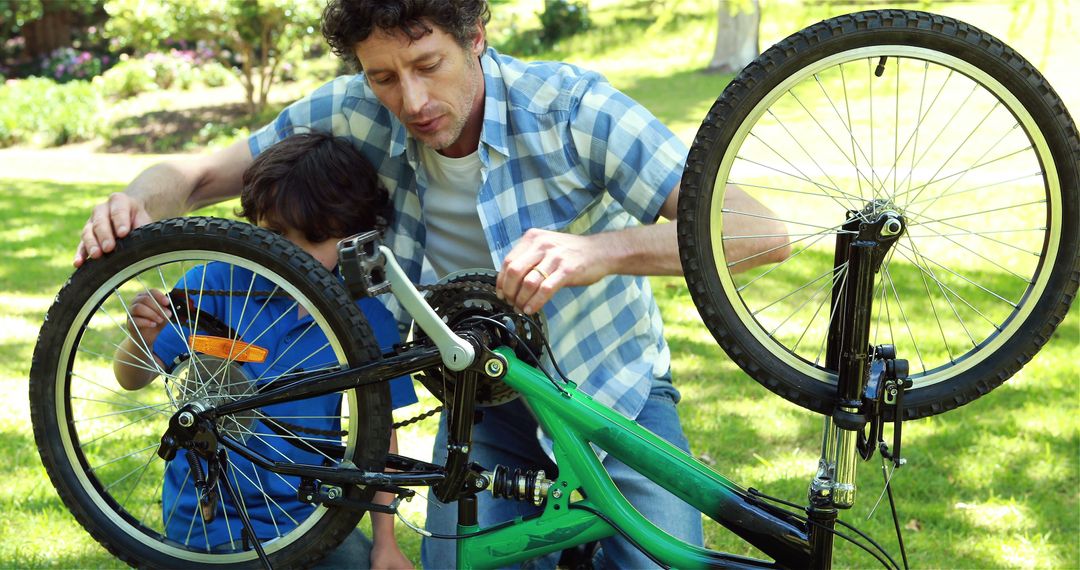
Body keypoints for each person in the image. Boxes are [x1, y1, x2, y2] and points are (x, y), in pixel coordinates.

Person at [79, 1, 791, 567]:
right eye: (383, 76)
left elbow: (758, 233)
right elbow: (198, 176)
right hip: (483, 406)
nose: (411, 99)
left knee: (664, 562)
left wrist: (602, 250)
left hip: (612, 393)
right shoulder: (357, 108)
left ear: (476, 35)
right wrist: (135, 204)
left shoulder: (572, 110)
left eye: (427, 64)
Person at [111, 131, 417, 569]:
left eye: (311, 239)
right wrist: (140, 336)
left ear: (352, 237)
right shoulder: (215, 285)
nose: (288, 254)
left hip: (308, 519)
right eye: (273, 233)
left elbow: (380, 437)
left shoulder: (370, 322)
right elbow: (131, 377)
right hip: (206, 522)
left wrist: (385, 542)